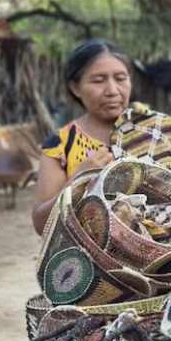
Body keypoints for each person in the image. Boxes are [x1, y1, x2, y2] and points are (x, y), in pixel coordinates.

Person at [32, 39, 132, 234]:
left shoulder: (157, 133)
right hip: (87, 260)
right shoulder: (60, 146)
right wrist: (78, 180)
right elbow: (41, 224)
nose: (112, 91)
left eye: (120, 78)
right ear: (75, 88)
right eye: (98, 80)